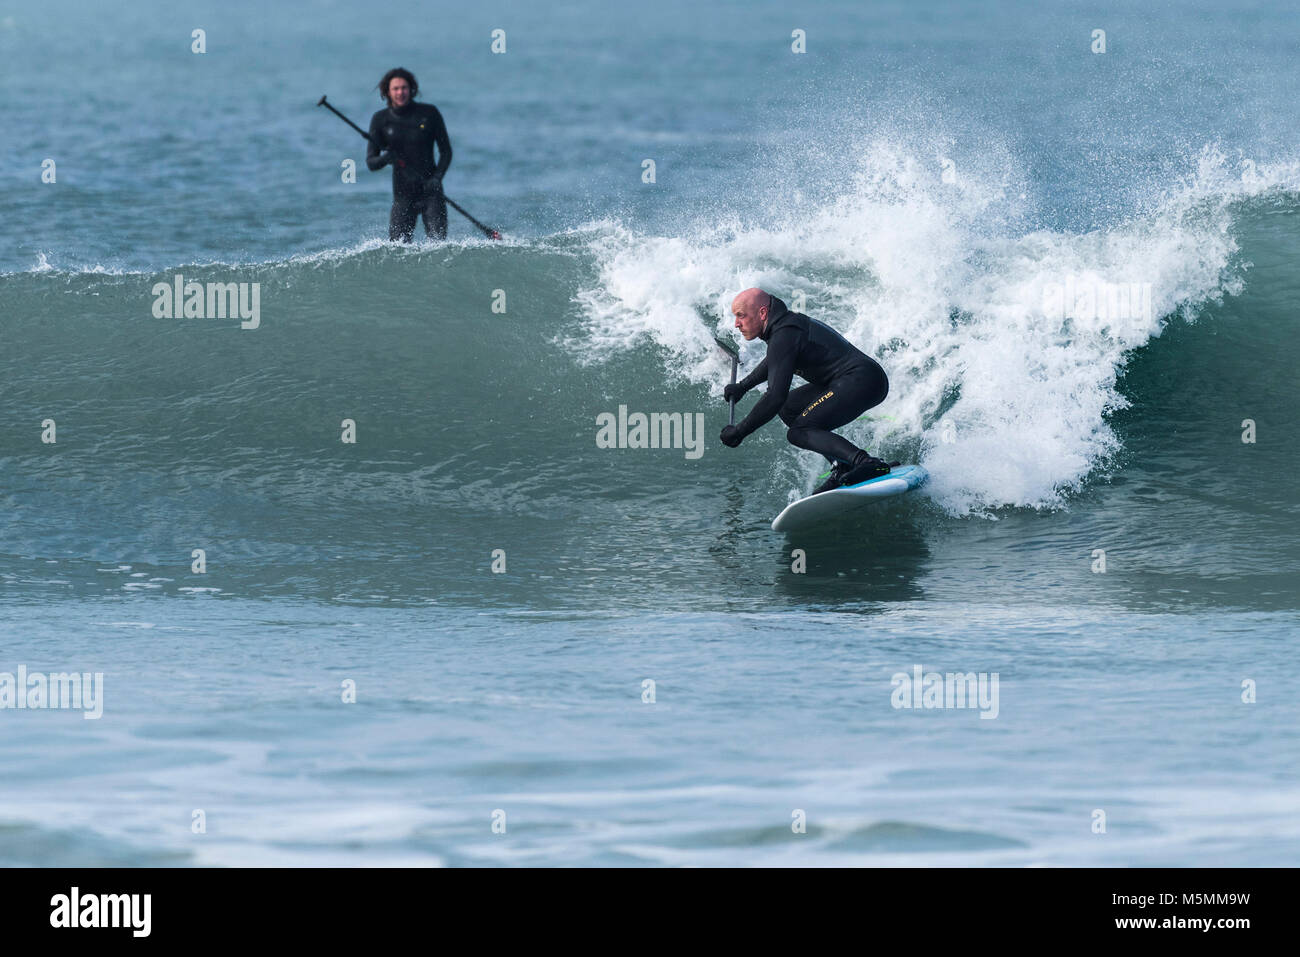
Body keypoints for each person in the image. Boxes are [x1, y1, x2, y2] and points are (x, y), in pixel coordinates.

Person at [720, 288, 896, 494]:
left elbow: (775, 396)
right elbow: (775, 360)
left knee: (798, 432)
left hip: (861, 380)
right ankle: (843, 464)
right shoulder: (784, 329)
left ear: (762, 313)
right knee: (789, 408)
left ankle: (865, 462)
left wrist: (740, 431)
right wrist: (743, 386)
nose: (737, 324)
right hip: (850, 380)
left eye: (741, 316)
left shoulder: (784, 333)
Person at [366, 68, 452, 241]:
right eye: (395, 89)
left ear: (411, 89)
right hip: (402, 196)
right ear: (388, 92)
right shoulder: (380, 119)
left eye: (404, 88)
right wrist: (385, 158)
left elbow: (446, 152)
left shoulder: (429, 113)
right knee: (397, 249)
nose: (400, 92)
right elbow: (371, 162)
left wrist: (437, 178)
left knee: (439, 246)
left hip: (431, 192)